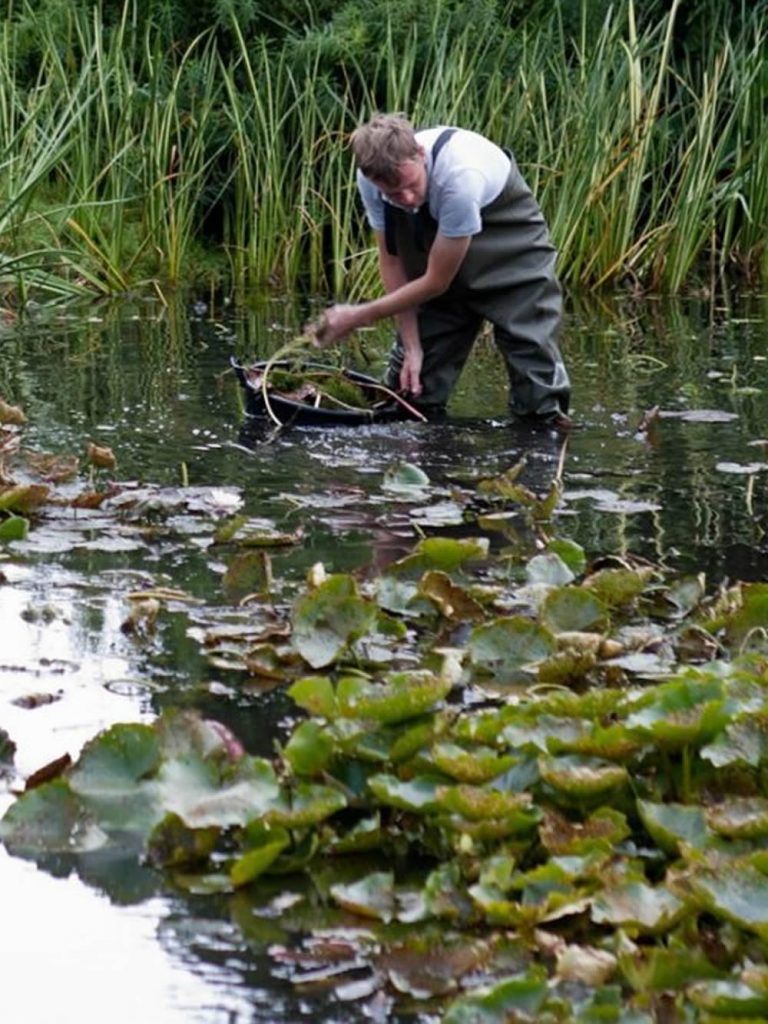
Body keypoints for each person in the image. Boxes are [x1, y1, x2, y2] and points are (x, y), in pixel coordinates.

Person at [309, 113, 571, 427]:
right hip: (434, 265)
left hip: (512, 259)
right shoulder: (370, 180)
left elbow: (436, 281)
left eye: (410, 185)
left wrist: (358, 314)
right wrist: (412, 345)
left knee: (538, 399)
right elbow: (393, 261)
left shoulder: (460, 178)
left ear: (420, 154)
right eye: (392, 195)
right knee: (409, 396)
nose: (405, 199)